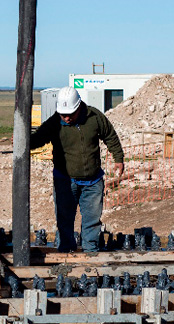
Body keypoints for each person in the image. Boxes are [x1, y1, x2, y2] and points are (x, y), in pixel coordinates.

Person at [30, 87, 125, 254]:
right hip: (65, 180)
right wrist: (23, 141)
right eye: (63, 114)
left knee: (92, 220)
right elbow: (38, 138)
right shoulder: (54, 123)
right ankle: (66, 252)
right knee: (64, 219)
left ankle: (90, 253)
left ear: (79, 107)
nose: (66, 118)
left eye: (70, 114)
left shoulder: (94, 117)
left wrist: (119, 158)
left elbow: (110, 135)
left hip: (93, 181)